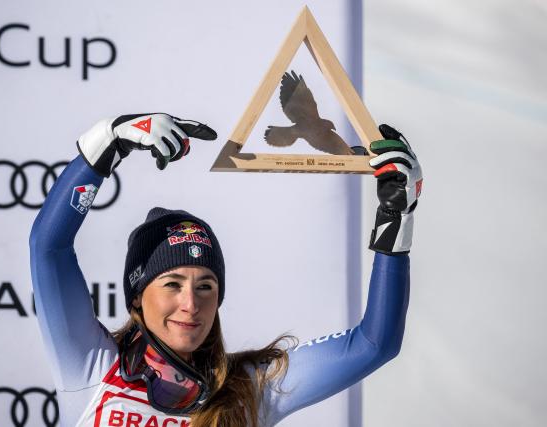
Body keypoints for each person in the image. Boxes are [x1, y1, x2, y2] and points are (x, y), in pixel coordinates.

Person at [30, 112, 422, 427]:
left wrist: (396, 217)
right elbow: (48, 248)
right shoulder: (91, 365)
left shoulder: (250, 390)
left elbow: (374, 344)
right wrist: (105, 145)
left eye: (206, 286)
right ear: (137, 296)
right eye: (172, 283)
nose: (190, 304)